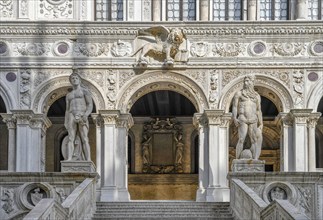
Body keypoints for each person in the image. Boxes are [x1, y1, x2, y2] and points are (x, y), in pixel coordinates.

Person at [232, 75, 263, 160]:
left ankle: (255, 159)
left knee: (254, 140)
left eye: (248, 81)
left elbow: (258, 110)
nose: (246, 83)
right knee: (241, 139)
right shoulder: (239, 93)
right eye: (245, 81)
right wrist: (234, 117)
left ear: (253, 82)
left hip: (253, 119)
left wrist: (261, 123)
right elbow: (234, 106)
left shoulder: (257, 96)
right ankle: (237, 159)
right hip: (243, 118)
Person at [64, 70, 93, 161]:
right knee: (70, 138)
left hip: (81, 114)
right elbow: (67, 109)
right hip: (71, 115)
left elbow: (90, 104)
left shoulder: (85, 91)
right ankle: (69, 158)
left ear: (80, 80)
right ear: (71, 81)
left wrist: (86, 115)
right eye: (72, 78)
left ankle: (88, 159)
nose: (74, 79)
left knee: (84, 138)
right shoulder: (69, 95)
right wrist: (66, 121)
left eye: (76, 78)